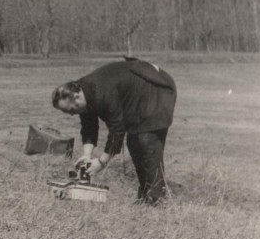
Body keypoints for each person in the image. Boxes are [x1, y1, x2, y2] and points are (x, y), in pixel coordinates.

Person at [51, 58, 177, 204]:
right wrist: (87, 155)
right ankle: (146, 195)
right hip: (139, 96)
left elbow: (117, 130)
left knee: (146, 141)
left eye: (72, 110)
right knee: (134, 143)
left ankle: (157, 199)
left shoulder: (101, 92)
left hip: (157, 88)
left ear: (77, 96)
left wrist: (102, 161)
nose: (72, 114)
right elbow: (88, 126)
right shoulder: (82, 92)